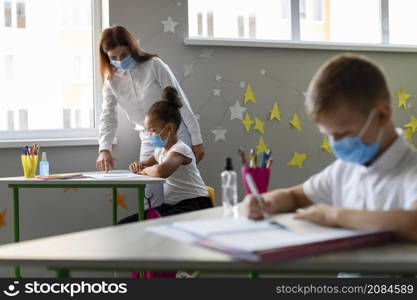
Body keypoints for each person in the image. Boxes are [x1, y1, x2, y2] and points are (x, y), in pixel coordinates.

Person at [246, 53, 417, 241]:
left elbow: (413, 223)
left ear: (382, 115)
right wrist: (265, 202)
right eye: (329, 135)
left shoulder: (411, 169)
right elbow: (294, 196)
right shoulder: (345, 169)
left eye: (343, 134)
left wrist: (334, 215)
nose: (336, 143)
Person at [96, 26, 205, 208]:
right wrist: (104, 149)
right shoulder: (111, 80)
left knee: (180, 189)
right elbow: (107, 115)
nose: (119, 61)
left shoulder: (154, 65)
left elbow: (180, 101)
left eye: (123, 55)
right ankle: (154, 227)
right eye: (113, 57)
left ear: (132, 48)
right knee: (149, 196)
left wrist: (197, 138)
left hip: (175, 133)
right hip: (149, 138)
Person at [120, 86, 212, 222]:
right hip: (174, 206)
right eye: (147, 130)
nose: (149, 134)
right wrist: (136, 166)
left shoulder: (180, 149)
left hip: (195, 204)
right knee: (125, 224)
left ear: (169, 128)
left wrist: (143, 170)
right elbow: (143, 165)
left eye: (152, 130)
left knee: (154, 223)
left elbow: (161, 171)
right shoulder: (160, 151)